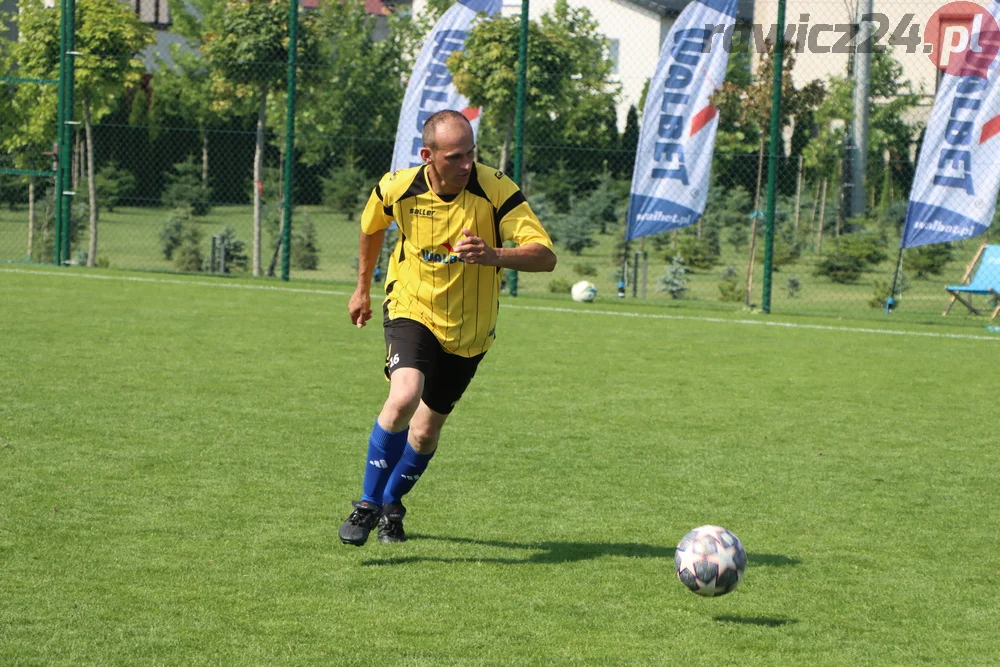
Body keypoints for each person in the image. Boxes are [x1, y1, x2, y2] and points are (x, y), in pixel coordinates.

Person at [340, 109, 557, 546]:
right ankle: (366, 504)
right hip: (411, 307)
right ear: (428, 155)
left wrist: (493, 254)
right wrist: (362, 288)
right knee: (403, 396)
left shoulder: (495, 189)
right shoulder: (398, 187)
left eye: (471, 155)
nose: (465, 165)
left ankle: (391, 504)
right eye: (455, 157)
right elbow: (370, 227)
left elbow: (545, 255)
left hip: (470, 331)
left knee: (424, 431)